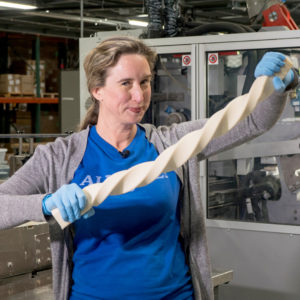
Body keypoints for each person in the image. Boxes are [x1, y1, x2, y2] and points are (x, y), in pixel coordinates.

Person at [0, 37, 297, 300]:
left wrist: (276, 89)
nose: (140, 96)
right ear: (97, 90)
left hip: (174, 294)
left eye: (145, 81)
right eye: (126, 83)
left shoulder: (172, 143)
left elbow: (252, 121)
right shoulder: (58, 157)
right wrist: (46, 203)